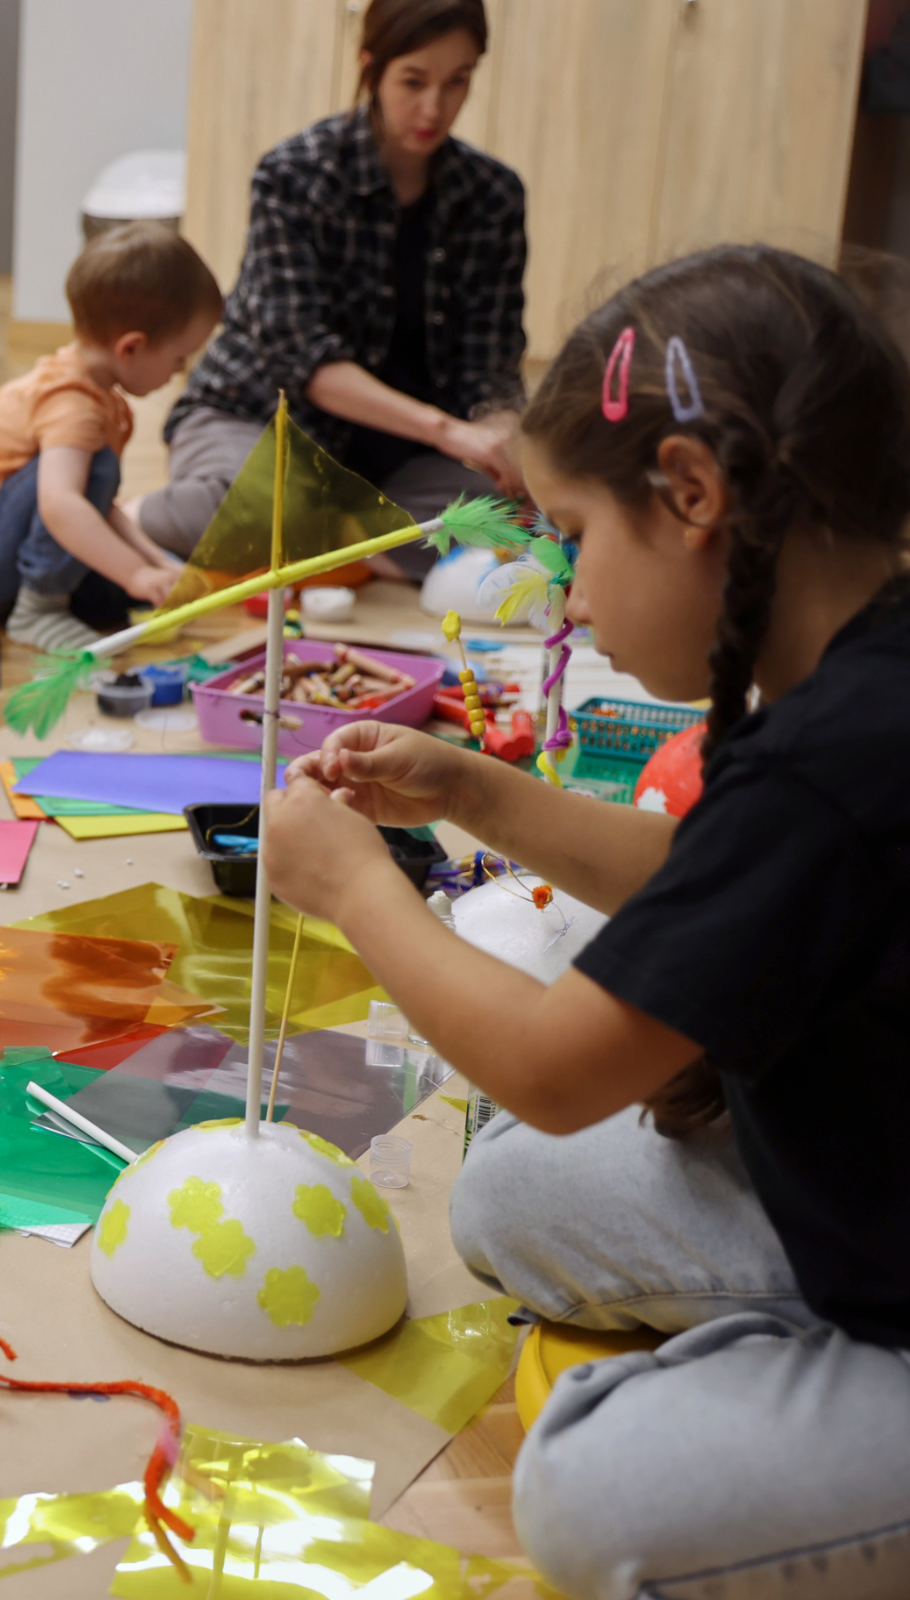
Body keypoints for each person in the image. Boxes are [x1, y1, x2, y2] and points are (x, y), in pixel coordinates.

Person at [264, 247, 910, 1598]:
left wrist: (360, 889)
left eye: (573, 535)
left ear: (692, 494)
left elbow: (556, 1073)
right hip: (871, 1183)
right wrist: (472, 789)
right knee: (513, 1199)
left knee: (589, 1487)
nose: (572, 596)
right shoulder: (855, 675)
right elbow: (712, 881)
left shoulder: (836, 757)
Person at [138, 0, 525, 573]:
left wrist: (502, 435)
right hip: (258, 419)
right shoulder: (295, 175)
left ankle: (324, 544)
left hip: (398, 457)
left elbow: (490, 362)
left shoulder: (494, 197)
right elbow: (303, 359)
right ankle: (130, 521)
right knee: (276, 509)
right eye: (413, 81)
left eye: (457, 82)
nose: (434, 107)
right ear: (371, 68)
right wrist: (447, 431)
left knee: (519, 521)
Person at [0, 223, 221, 654]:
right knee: (99, 470)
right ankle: (37, 608)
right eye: (179, 357)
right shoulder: (72, 404)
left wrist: (156, 562)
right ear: (130, 348)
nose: (180, 371)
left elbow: (97, 506)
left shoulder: (92, 392)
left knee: (129, 596)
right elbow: (60, 506)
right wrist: (136, 571)